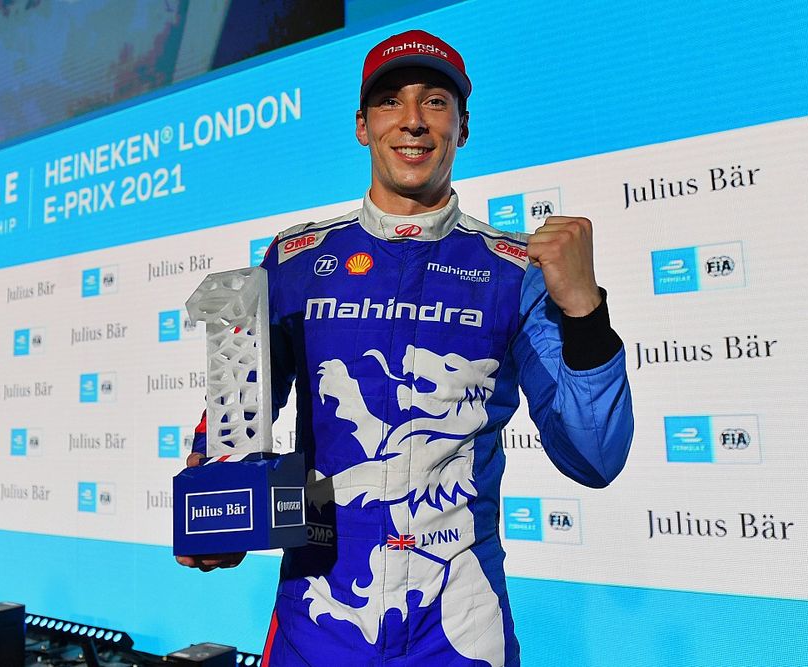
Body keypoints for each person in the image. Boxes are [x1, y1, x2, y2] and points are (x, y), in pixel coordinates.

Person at [177, 29, 634, 667]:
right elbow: (236, 415)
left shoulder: (513, 271)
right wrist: (213, 500)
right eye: (391, 101)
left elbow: (594, 456)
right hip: (321, 620)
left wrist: (585, 309)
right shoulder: (297, 262)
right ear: (362, 126)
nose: (413, 121)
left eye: (435, 102)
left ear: (463, 127)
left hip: (458, 630)